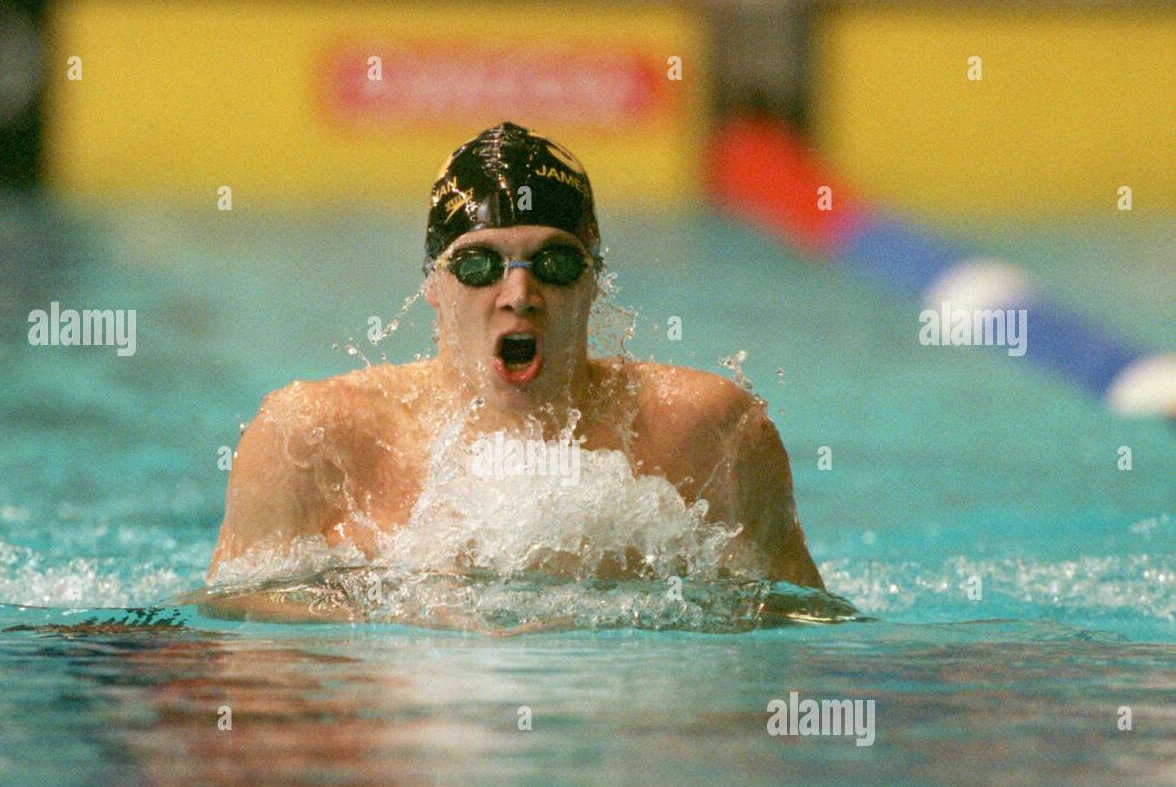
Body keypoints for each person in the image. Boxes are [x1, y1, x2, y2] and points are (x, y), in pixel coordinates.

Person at [207, 122, 823, 599]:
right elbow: (231, 625)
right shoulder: (311, 440)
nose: (520, 296)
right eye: (479, 266)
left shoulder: (710, 432)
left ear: (593, 283)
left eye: (555, 264)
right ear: (434, 285)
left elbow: (800, 625)